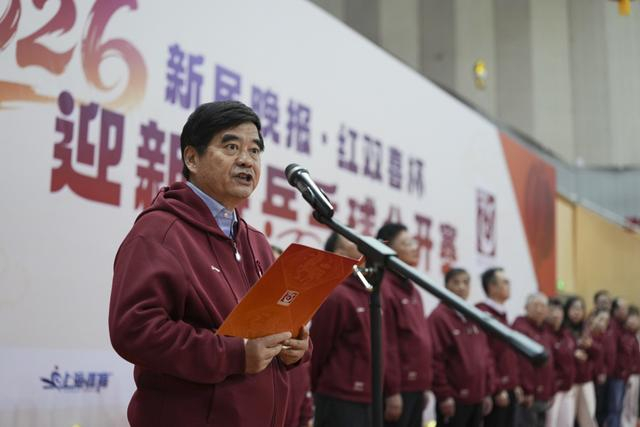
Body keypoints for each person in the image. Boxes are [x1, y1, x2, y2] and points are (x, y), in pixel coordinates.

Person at [109, 101, 310, 427]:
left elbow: (265, 322)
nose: (246, 160)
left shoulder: (256, 240)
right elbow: (135, 330)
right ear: (192, 158)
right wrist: (235, 355)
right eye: (231, 147)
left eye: (254, 150)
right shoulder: (160, 231)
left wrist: (296, 344)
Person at [310, 232, 373, 427]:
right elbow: (318, 347)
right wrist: (315, 388)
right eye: (353, 241)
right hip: (339, 395)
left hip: (368, 395)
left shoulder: (368, 292)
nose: (360, 242)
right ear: (340, 253)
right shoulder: (336, 294)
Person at [377, 223, 432, 427]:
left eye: (414, 242)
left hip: (417, 387)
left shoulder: (413, 289)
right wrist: (392, 391)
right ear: (388, 247)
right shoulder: (384, 288)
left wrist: (424, 386)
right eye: (407, 243)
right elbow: (387, 344)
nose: (415, 247)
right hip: (399, 390)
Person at [429, 268, 494, 427]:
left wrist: (487, 391)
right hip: (454, 400)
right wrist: (444, 395)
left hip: (477, 397)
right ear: (446, 286)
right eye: (456, 282)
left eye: (465, 282)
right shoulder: (438, 317)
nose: (461, 287)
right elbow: (435, 359)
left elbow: (485, 355)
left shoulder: (473, 315)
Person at [476, 267, 522, 427]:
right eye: (505, 282)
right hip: (496, 390)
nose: (509, 286)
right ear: (492, 287)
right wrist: (497, 388)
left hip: (508, 387)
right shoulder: (483, 313)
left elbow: (508, 355)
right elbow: (486, 353)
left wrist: (515, 384)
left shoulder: (502, 314)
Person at [512, 293, 555, 427]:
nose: (539, 310)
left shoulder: (546, 329)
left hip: (544, 393)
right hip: (528, 395)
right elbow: (520, 362)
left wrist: (551, 390)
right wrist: (526, 390)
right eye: (535, 305)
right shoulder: (520, 327)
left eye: (543, 306)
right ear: (526, 307)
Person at [564, 296, 601, 427]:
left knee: (588, 417)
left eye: (580, 309)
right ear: (567, 310)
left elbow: (599, 352)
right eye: (574, 308)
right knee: (567, 419)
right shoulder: (562, 328)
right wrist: (573, 353)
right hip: (568, 382)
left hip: (586, 379)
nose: (577, 312)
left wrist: (590, 346)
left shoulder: (587, 329)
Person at [544, 298, 576, 427]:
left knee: (567, 423)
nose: (556, 314)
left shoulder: (567, 334)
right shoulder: (544, 333)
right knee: (551, 423)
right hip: (552, 389)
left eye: (559, 310)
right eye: (552, 310)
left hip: (568, 387)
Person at [606, 298, 631, 427]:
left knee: (619, 407)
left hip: (623, 374)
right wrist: (614, 371)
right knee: (614, 409)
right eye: (623, 308)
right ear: (615, 311)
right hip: (615, 374)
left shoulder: (624, 327)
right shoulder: (612, 326)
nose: (626, 311)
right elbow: (611, 353)